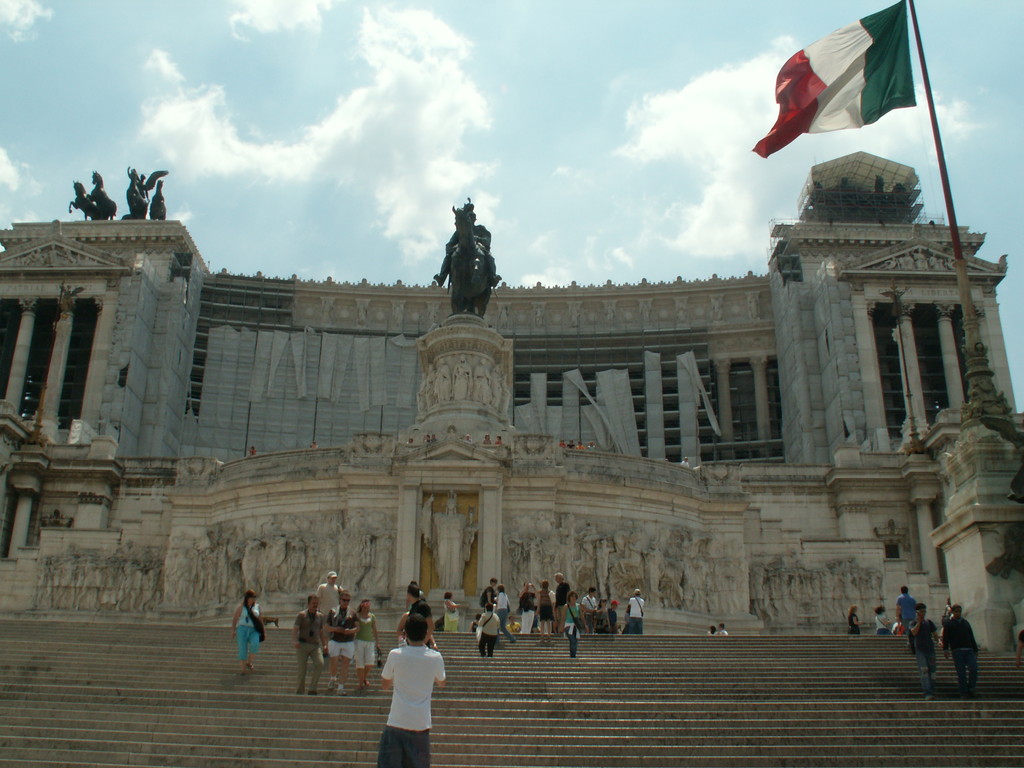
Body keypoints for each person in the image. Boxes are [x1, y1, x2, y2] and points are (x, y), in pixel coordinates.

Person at [377, 613, 446, 768]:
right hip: (420, 725)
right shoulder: (435, 657)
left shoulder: (395, 655)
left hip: (396, 722)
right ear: (426, 633)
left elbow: (385, 684)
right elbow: (442, 682)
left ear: (406, 633)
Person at [292, 594, 327, 695]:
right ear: (308, 603)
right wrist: (295, 640)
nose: (315, 605)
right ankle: (300, 691)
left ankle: (312, 687)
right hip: (302, 644)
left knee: (320, 663)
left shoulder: (320, 616)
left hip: (315, 645)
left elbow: (321, 631)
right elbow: (295, 629)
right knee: (302, 669)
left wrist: (324, 644)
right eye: (313, 603)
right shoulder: (301, 615)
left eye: (317, 603)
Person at [942, 604, 979, 698]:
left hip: (969, 649)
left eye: (959, 611)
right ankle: (964, 692)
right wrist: (945, 649)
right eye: (956, 611)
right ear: (952, 612)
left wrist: (975, 649)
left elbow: (971, 636)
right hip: (957, 650)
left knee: (973, 669)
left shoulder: (966, 623)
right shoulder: (949, 624)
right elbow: (945, 638)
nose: (958, 613)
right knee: (961, 672)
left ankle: (971, 687)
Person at [326, 589, 356, 695]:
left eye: (348, 600)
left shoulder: (352, 612)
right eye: (344, 600)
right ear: (340, 600)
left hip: (348, 640)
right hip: (335, 639)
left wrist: (350, 631)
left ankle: (341, 686)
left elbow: (357, 627)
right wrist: (335, 629)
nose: (346, 602)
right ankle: (333, 678)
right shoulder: (333, 611)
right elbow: (326, 626)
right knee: (334, 661)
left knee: (345, 664)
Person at [909, 602, 939, 700]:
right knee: (924, 671)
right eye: (921, 611)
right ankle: (927, 692)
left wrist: (939, 641)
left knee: (933, 671)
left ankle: (933, 690)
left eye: (924, 611)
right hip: (920, 650)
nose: (923, 613)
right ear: (917, 612)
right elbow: (914, 632)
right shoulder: (913, 622)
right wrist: (919, 621)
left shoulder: (929, 622)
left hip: (930, 649)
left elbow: (935, 634)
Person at [231, 589, 264, 674]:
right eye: (252, 597)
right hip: (242, 629)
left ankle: (249, 662)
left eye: (254, 597)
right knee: (242, 648)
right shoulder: (241, 607)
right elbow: (235, 619)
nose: (254, 599)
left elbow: (260, 620)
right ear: (247, 598)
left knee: (255, 644)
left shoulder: (257, 607)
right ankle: (243, 669)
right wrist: (233, 630)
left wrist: (263, 631)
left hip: (254, 629)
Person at [354, 597, 381, 692]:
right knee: (360, 663)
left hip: (369, 641)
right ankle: (360, 683)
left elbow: (374, 629)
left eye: (368, 607)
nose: (366, 609)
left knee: (369, 663)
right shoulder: (357, 616)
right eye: (365, 607)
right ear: (362, 607)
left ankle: (363, 678)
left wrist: (377, 641)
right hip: (359, 641)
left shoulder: (372, 616)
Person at [564, 590, 582, 658]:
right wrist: (560, 626)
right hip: (568, 626)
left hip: (575, 626)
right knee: (573, 640)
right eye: (572, 596)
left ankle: (572, 655)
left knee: (575, 642)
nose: (573, 598)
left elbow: (581, 616)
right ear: (569, 598)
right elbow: (563, 617)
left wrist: (585, 625)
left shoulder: (578, 606)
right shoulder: (566, 606)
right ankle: (573, 656)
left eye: (575, 596)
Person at [537, 578, 554, 644]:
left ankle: (542, 636)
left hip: (543, 607)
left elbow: (539, 601)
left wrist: (538, 609)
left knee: (542, 623)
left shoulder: (540, 592)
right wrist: (552, 610)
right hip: (548, 607)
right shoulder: (550, 592)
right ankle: (549, 636)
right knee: (548, 622)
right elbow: (552, 602)